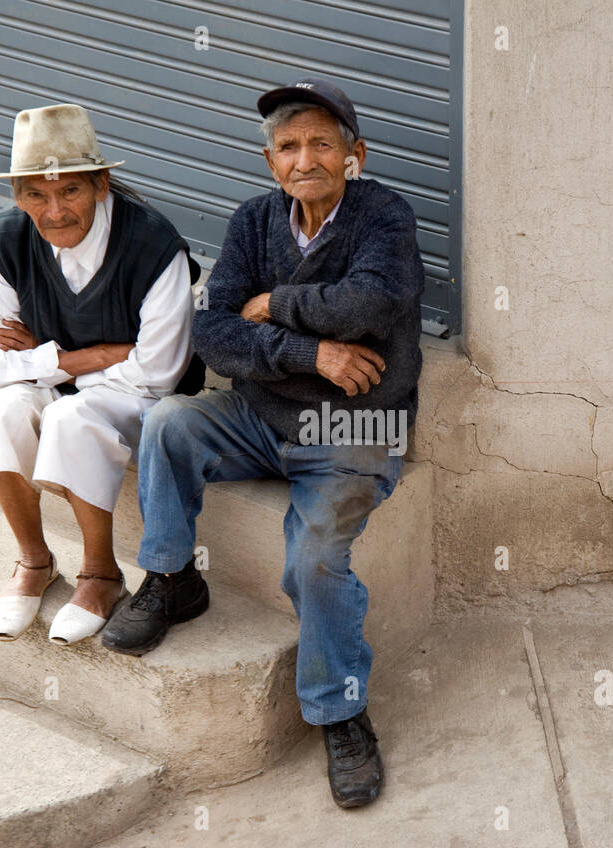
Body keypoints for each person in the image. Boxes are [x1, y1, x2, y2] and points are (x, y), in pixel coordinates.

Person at [100, 79, 424, 808]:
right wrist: (314, 354)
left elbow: (371, 304)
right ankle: (173, 579)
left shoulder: (385, 219)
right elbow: (213, 331)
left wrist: (274, 306)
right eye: (287, 146)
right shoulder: (253, 222)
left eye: (320, 143)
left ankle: (340, 712)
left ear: (354, 155)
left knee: (313, 557)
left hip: (353, 431)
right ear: (270, 162)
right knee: (170, 423)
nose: (303, 158)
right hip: (262, 417)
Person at [0, 103, 203, 645]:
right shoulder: (1, 239)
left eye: (69, 191)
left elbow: (160, 371)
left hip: (145, 406)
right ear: (17, 196)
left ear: (100, 184)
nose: (53, 212)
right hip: (81, 379)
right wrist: (86, 358)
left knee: (70, 416)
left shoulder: (153, 245)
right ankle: (34, 560)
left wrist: (45, 363)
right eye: (34, 195)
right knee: (1, 409)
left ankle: (101, 572)